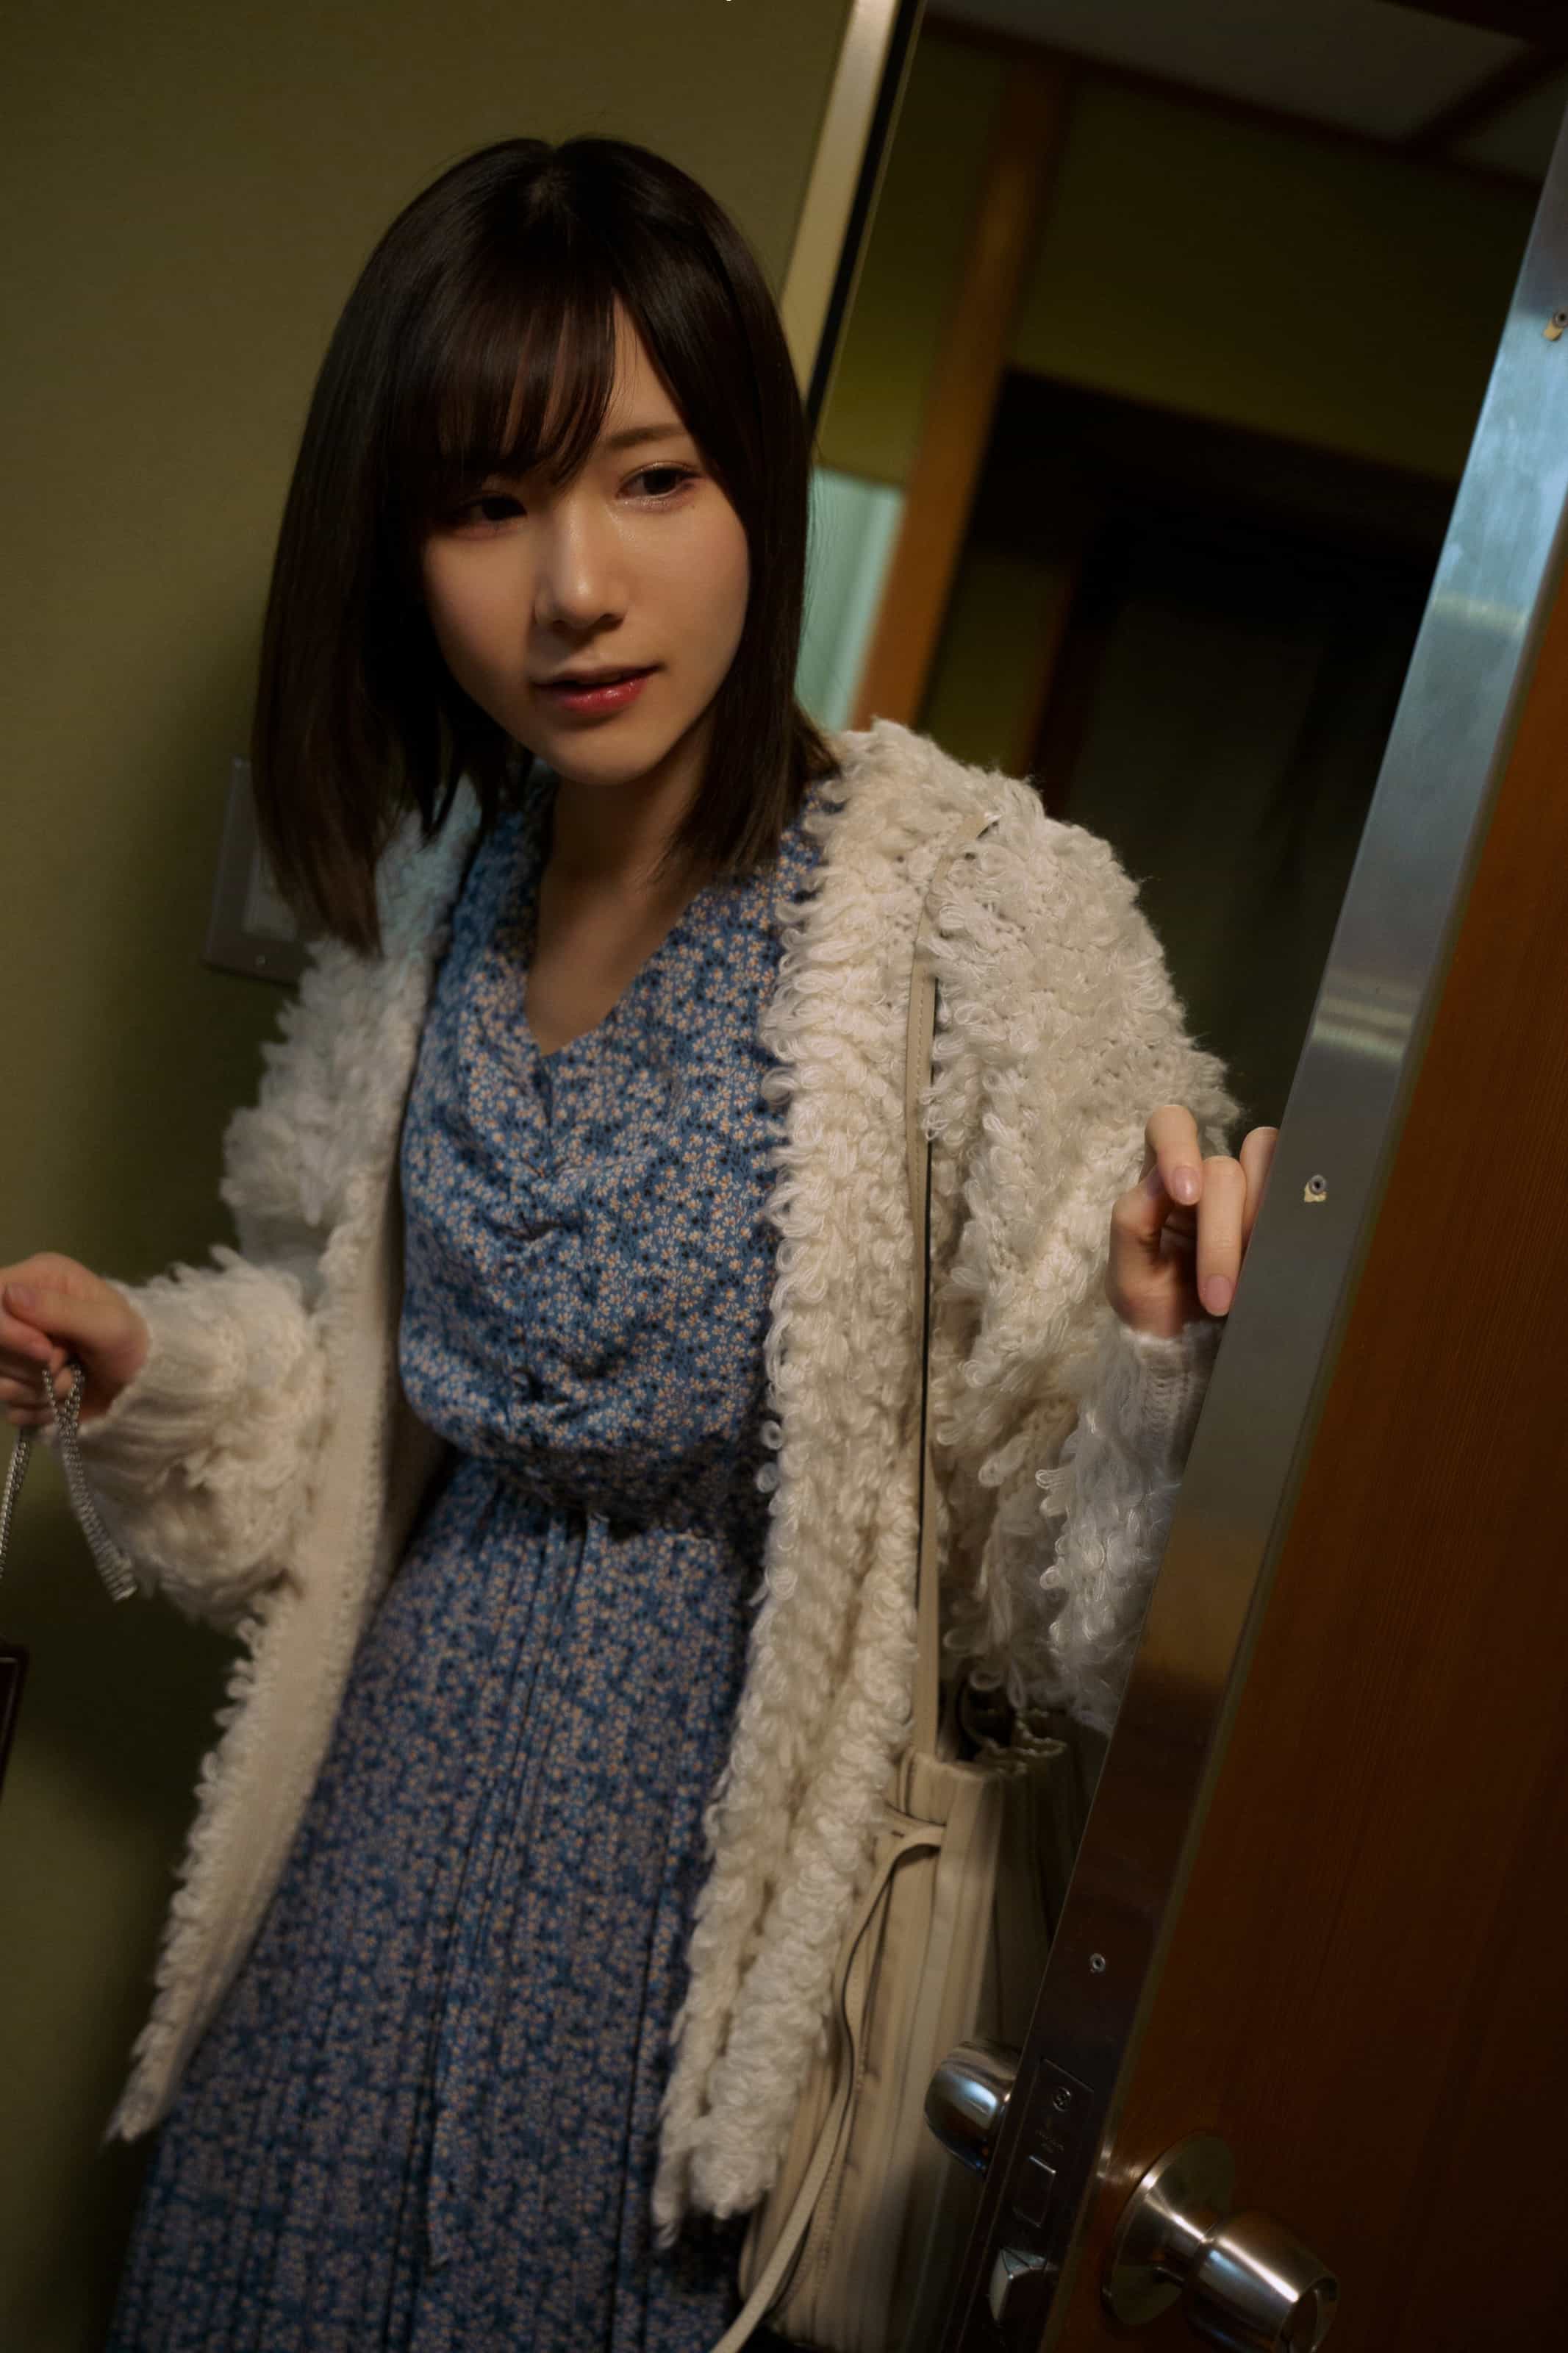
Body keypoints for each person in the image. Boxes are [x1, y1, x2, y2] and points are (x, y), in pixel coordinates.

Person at [0, 136, 1275, 2352]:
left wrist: (1159, 1369)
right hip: (366, 1866)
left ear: (756, 484)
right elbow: (343, 1418)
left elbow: (1059, 1629)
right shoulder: (438, 895)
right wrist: (145, 1364)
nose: (575, 587)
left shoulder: (977, 911)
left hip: (701, 1949)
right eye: (487, 506)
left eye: (653, 480)